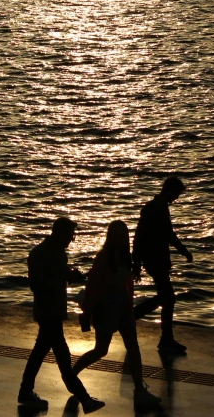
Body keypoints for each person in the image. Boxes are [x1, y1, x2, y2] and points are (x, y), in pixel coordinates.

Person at [19, 217, 105, 414]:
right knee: (63, 360)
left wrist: (69, 275)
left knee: (40, 354)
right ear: (60, 234)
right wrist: (64, 276)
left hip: (50, 312)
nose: (71, 239)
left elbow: (58, 274)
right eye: (70, 235)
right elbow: (39, 284)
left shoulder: (51, 252)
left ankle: (25, 392)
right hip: (49, 312)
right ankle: (85, 400)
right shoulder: (45, 254)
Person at [75, 221, 162, 412]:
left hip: (123, 307)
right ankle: (73, 374)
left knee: (133, 347)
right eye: (118, 234)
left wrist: (129, 304)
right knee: (101, 350)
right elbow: (92, 288)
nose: (122, 238)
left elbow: (127, 284)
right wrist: (86, 312)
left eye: (123, 234)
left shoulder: (125, 256)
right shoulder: (103, 258)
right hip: (106, 308)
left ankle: (139, 391)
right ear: (111, 236)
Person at [132, 175, 192, 354]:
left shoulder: (157, 207)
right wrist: (184, 251)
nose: (177, 198)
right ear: (171, 191)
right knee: (168, 297)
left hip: (155, 260)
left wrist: (137, 262)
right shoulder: (156, 208)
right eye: (177, 194)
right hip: (154, 260)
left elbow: (143, 236)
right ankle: (133, 318)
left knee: (167, 297)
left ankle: (163, 336)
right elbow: (161, 235)